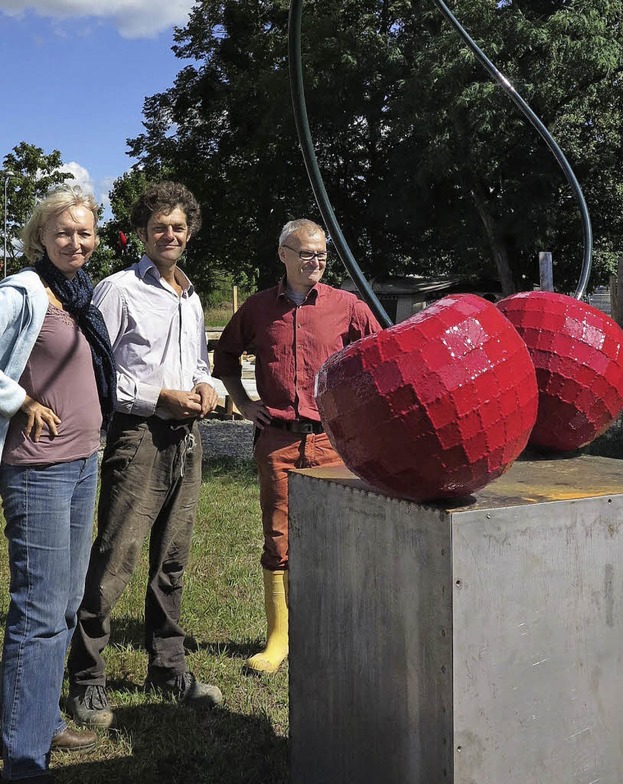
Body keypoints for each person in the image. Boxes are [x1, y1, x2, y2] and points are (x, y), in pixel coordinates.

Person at [66, 181, 222, 729]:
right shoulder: (118, 289)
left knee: (172, 561)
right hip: (139, 438)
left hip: (188, 439)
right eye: (159, 226)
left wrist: (205, 389)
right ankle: (85, 681)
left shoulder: (190, 293)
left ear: (190, 230)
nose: (170, 233)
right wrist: (158, 398)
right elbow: (95, 370)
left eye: (178, 225)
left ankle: (168, 666)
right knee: (116, 559)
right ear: (140, 233)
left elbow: (197, 363)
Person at [213, 218, 382, 674]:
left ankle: (334, 627)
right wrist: (244, 403)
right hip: (278, 442)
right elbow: (225, 356)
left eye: (322, 254)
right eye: (306, 253)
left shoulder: (348, 306)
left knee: (338, 535)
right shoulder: (257, 308)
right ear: (283, 254)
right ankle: (279, 638)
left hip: (332, 444)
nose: (317, 261)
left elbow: (378, 360)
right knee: (280, 536)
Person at [0, 185, 116, 782]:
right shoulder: (22, 291)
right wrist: (19, 400)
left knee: (65, 604)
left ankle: (40, 723)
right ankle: (23, 758)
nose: (77, 242)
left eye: (86, 232)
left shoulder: (79, 295)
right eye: (64, 232)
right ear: (40, 237)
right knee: (39, 611)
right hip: (38, 470)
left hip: (83, 461)